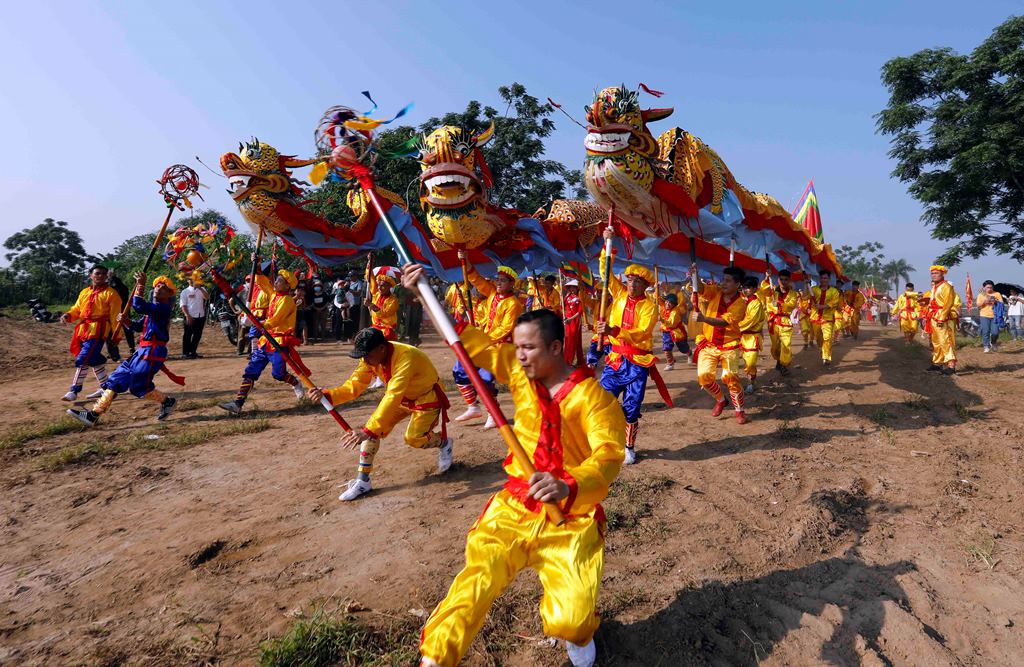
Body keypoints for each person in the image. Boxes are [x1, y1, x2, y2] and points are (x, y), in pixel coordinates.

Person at [403, 262, 624, 667]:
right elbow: (468, 343)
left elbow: (608, 457)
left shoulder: (594, 398)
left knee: (571, 621)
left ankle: (580, 638)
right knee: (478, 579)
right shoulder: (520, 375)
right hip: (514, 506)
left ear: (556, 348)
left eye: (529, 348)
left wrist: (568, 484)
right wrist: (423, 292)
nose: (518, 356)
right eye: (517, 348)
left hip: (569, 518)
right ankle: (435, 658)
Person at [308, 327, 453, 501]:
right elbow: (355, 384)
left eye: (367, 355)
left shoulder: (406, 356)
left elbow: (392, 395)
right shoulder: (370, 358)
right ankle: (363, 481)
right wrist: (329, 395)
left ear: (381, 348)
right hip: (401, 400)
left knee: (413, 438)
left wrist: (369, 430)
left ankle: (444, 443)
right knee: (372, 431)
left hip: (425, 398)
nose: (364, 360)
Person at [595, 229, 669, 465]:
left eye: (638, 281)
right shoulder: (617, 294)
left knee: (631, 406)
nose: (632, 284)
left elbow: (643, 332)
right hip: (614, 360)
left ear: (646, 285)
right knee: (602, 401)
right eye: (629, 280)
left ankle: (629, 447)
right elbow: (605, 272)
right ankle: (603, 441)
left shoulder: (650, 307)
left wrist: (613, 331)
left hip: (637, 363)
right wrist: (608, 242)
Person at [67, 273, 179, 426]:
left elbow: (139, 306)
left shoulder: (163, 308)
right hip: (141, 351)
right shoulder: (152, 311)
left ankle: (168, 401)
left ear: (169, 294)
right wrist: (126, 321)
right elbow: (138, 326)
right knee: (116, 380)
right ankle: (93, 414)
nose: (159, 288)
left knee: (138, 387)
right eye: (157, 286)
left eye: (164, 288)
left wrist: (140, 285)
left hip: (153, 352)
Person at [219, 269, 307, 413]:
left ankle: (296, 383)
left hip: (278, 342)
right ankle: (238, 403)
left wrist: (256, 323)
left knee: (278, 374)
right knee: (251, 371)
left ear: (287, 286)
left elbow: (275, 320)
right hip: (265, 340)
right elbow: (263, 283)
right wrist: (257, 268)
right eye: (276, 279)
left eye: (279, 281)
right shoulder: (273, 295)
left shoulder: (287, 301)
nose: (276, 282)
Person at [454, 259, 524, 430]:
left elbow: (505, 329)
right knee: (460, 368)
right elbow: (477, 280)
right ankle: (472, 406)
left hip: (499, 346)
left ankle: (494, 414)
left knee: (485, 379)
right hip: (484, 342)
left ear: (511, 284)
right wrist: (466, 261)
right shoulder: (492, 292)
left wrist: (483, 339)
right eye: (497, 279)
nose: (498, 282)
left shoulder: (513, 304)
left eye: (503, 280)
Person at [693, 264, 750, 424]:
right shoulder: (715, 292)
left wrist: (704, 319)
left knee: (730, 378)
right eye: (722, 280)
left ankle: (739, 411)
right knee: (704, 378)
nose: (723, 283)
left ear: (738, 284)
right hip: (708, 344)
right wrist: (695, 274)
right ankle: (720, 399)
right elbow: (701, 288)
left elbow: (724, 322)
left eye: (728, 281)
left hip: (729, 346)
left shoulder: (740, 304)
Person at [60, 265, 123, 402]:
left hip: (99, 330)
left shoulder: (111, 294)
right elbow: (77, 309)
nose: (100, 276)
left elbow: (115, 316)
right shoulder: (84, 292)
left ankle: (74, 390)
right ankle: (108, 389)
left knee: (84, 359)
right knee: (93, 360)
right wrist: (67, 315)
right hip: (83, 330)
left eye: (103, 274)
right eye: (97, 273)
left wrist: (117, 335)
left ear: (107, 276)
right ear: (91, 275)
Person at [761, 269, 799, 375]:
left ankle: (784, 365)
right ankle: (778, 360)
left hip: (785, 321)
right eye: (781, 279)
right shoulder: (772, 291)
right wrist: (766, 277)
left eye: (786, 280)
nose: (783, 281)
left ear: (789, 281)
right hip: (773, 322)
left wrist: (779, 303)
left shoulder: (793, 294)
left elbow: (791, 305)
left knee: (786, 344)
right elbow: (763, 290)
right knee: (775, 346)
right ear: (778, 280)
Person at [926, 265, 960, 374]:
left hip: (943, 317)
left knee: (946, 340)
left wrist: (941, 317)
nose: (934, 275)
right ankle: (937, 363)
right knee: (936, 341)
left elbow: (948, 303)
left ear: (942, 274)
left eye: (936, 273)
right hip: (934, 316)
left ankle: (951, 365)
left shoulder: (946, 286)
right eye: (932, 273)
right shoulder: (934, 287)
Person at [805, 270, 842, 367]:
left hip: (827, 319)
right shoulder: (814, 289)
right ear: (819, 279)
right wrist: (806, 284)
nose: (823, 280)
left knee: (827, 337)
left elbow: (834, 303)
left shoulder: (834, 291)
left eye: (825, 278)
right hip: (815, 319)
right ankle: (823, 350)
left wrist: (822, 306)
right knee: (819, 340)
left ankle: (826, 357)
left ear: (829, 279)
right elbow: (805, 297)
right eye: (821, 278)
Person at [737, 275, 767, 393]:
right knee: (743, 360)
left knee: (750, 361)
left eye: (748, 287)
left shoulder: (756, 303)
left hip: (751, 337)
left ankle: (751, 382)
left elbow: (750, 320)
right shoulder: (743, 301)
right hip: (741, 336)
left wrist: (734, 327)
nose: (745, 290)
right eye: (744, 287)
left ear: (755, 289)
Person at [179, 272, 209, 359]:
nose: (192, 281)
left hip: (201, 316)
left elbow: (207, 297)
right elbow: (183, 305)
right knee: (187, 335)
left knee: (197, 335)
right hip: (190, 316)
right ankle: (185, 353)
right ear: (188, 281)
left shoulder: (202, 289)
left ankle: (193, 352)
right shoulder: (185, 291)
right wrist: (187, 315)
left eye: (194, 279)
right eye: (190, 279)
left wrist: (200, 288)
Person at [105, 270, 132, 362]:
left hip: (117, 311)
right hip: (123, 310)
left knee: (111, 333)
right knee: (127, 329)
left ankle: (113, 354)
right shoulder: (121, 285)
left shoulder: (110, 286)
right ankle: (130, 348)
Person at [659, 293, 689, 371]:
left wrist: (662, 319)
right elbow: (658, 299)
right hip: (666, 331)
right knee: (666, 348)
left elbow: (671, 324)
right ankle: (670, 363)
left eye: (670, 303)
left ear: (674, 304)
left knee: (683, 348)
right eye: (667, 301)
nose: (668, 304)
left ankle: (689, 353)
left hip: (677, 331)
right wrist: (656, 289)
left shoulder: (675, 312)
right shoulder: (664, 305)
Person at [367, 270, 399, 341]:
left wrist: (372, 305)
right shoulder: (377, 294)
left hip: (387, 330)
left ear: (389, 286)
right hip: (375, 328)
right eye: (378, 285)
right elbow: (371, 280)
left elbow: (385, 313)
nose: (379, 288)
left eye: (382, 286)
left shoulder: (393, 300)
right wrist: (369, 267)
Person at [561, 279, 586, 367]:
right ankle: (579, 360)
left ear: (577, 289)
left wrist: (571, 319)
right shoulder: (567, 297)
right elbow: (563, 307)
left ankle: (569, 361)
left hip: (575, 322)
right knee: (569, 340)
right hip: (567, 321)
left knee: (572, 340)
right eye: (570, 287)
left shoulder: (579, 299)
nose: (572, 289)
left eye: (574, 288)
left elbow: (579, 312)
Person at [976, 280, 1003, 353]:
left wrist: (995, 301)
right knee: (986, 331)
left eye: (991, 287)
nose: (989, 289)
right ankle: (986, 346)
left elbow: (1001, 303)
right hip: (984, 315)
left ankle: (993, 342)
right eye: (988, 287)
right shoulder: (980, 295)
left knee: (995, 332)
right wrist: (984, 302)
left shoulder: (997, 294)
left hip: (995, 316)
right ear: (984, 287)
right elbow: (978, 307)